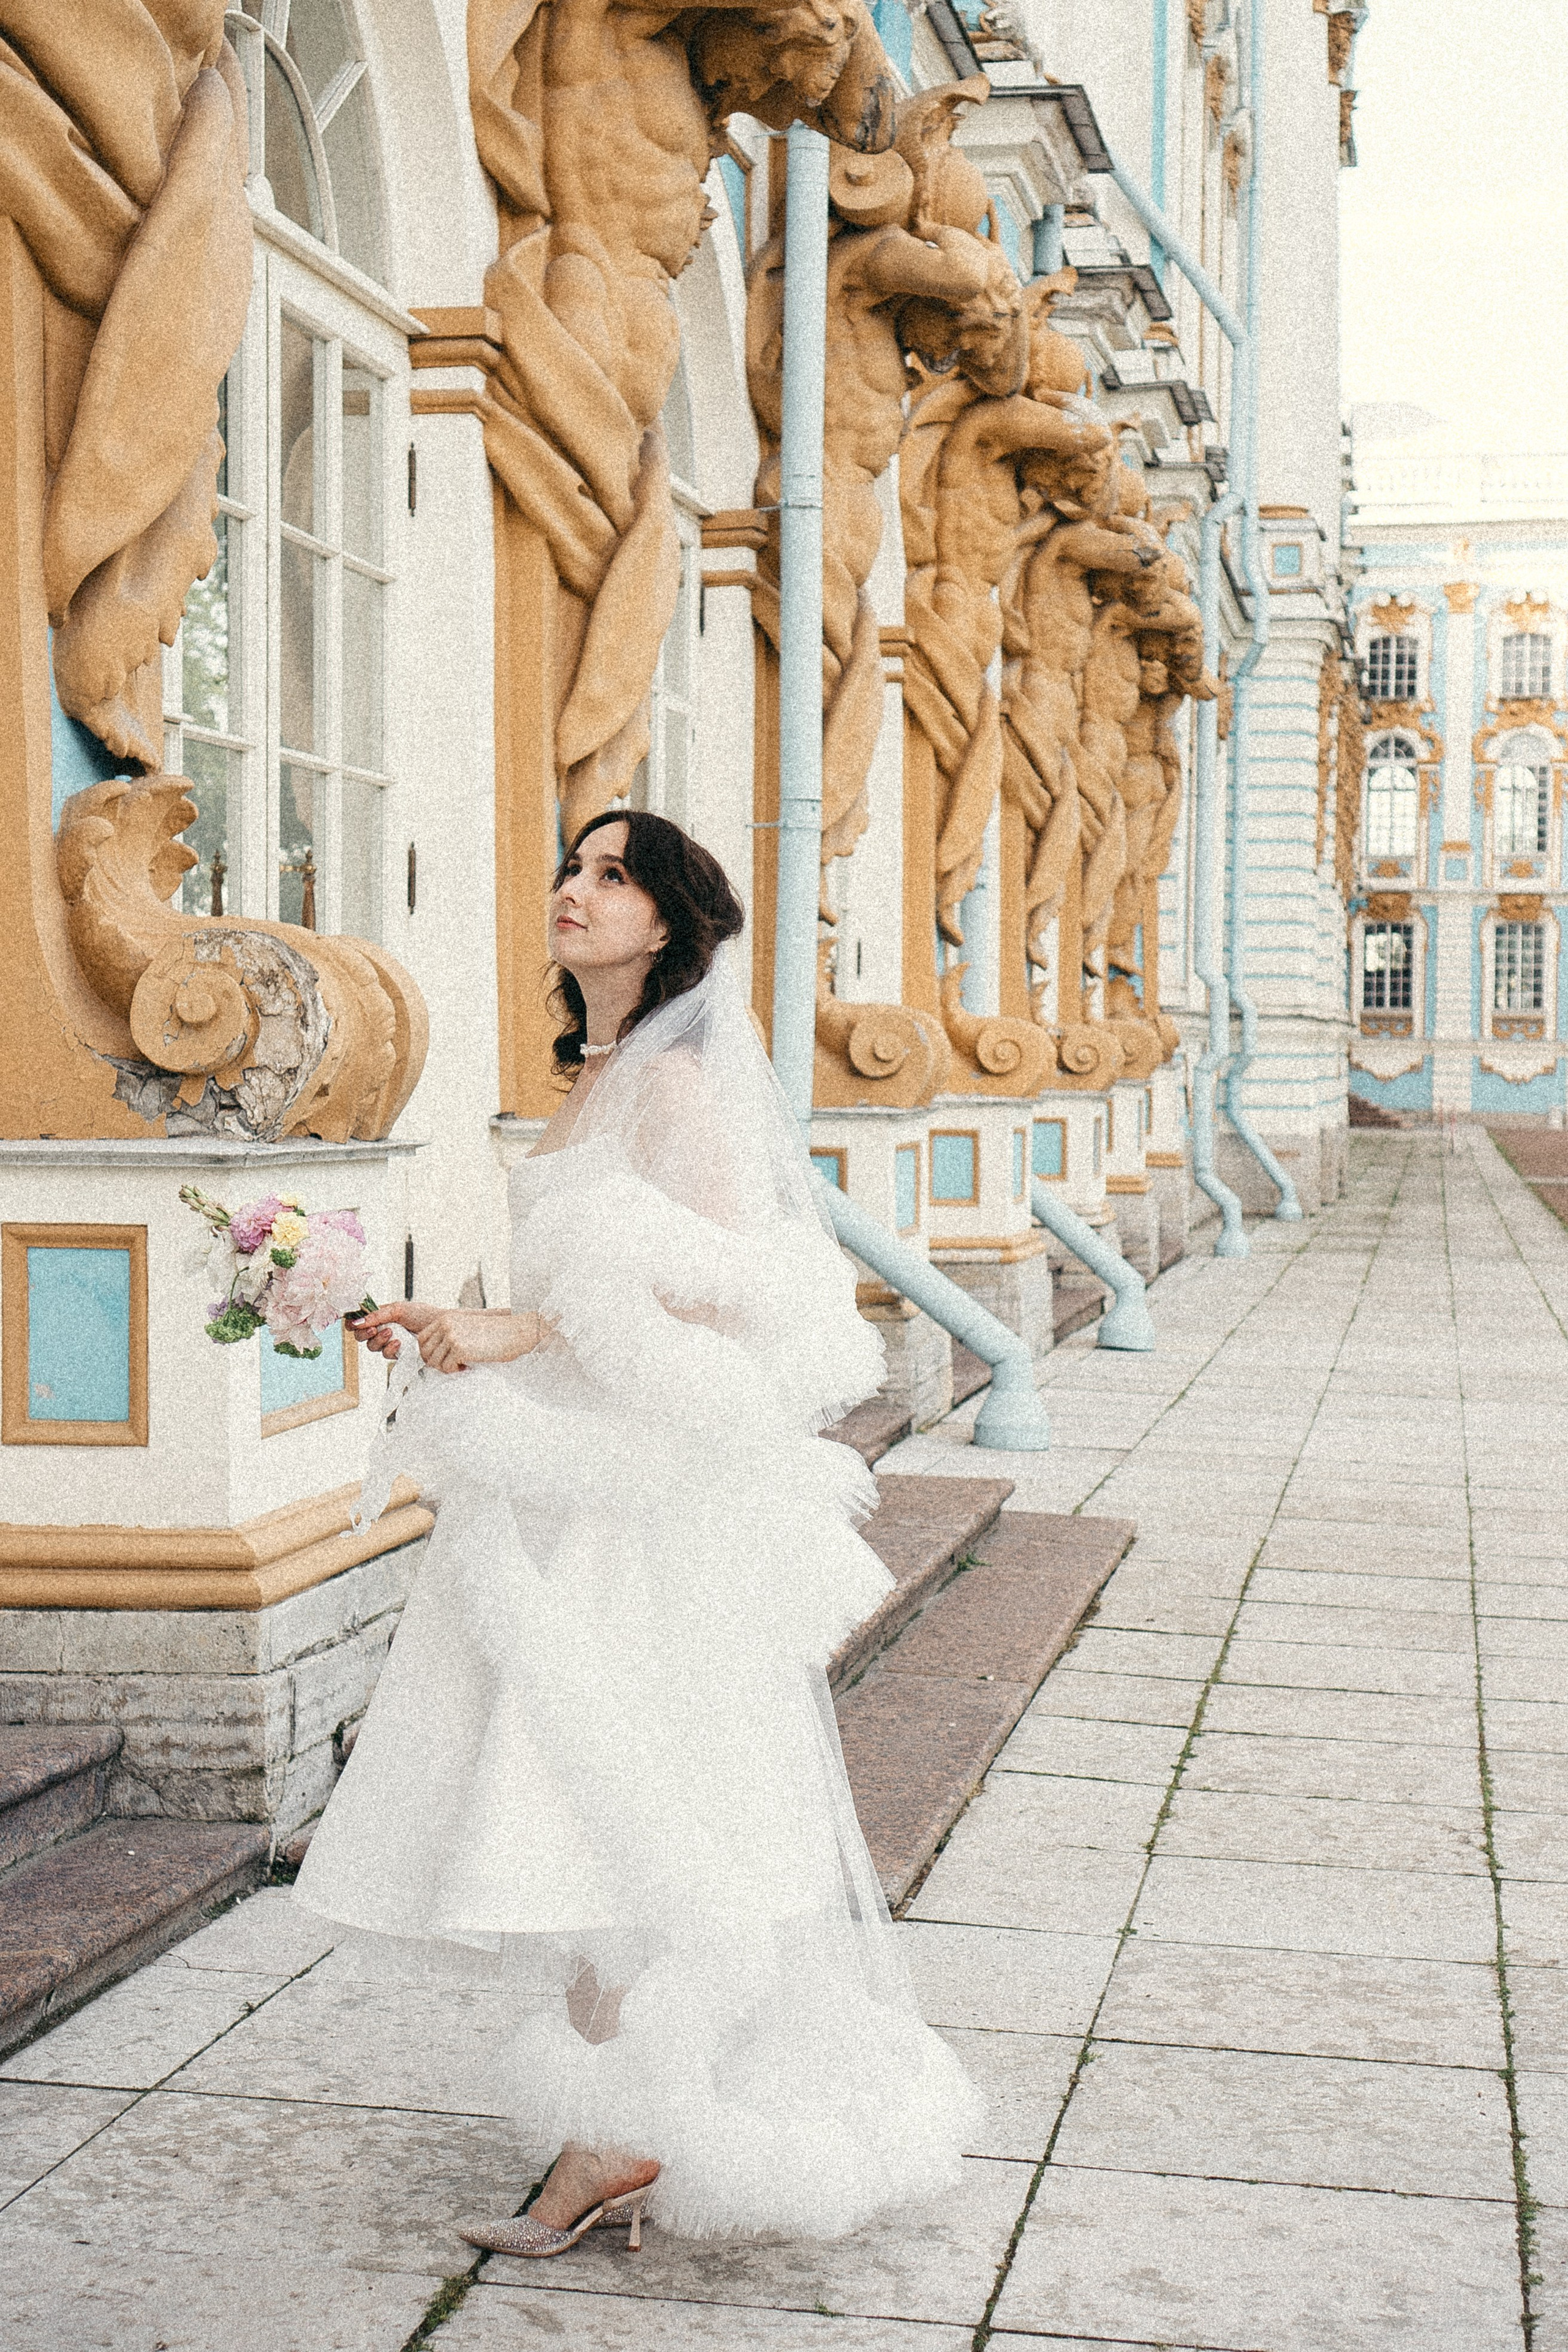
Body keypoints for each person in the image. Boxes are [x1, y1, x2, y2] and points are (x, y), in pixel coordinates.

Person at [293, 810, 981, 2253]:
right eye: (567, 867)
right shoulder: (594, 1080)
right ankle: (621, 2124)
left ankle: (618, 2134)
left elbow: (750, 1298)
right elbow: (575, 1304)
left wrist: (548, 1327)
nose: (573, 891)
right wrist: (466, 1331)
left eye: (612, 876)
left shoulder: (673, 1091)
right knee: (570, 1806)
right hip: (559, 1480)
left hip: (629, 1502)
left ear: (664, 921)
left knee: (617, 1806)